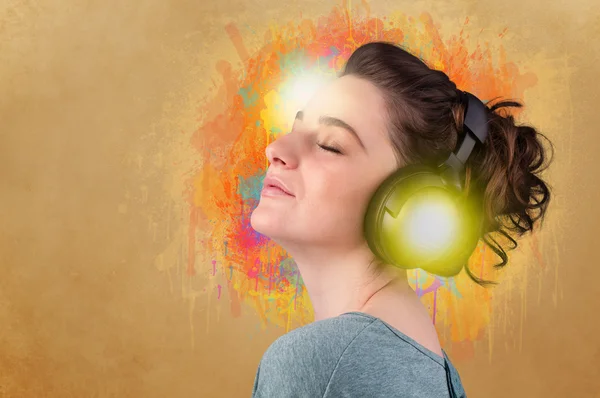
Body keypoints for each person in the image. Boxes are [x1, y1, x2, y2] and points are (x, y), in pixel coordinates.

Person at [249, 41, 552, 397]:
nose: (276, 150)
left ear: (412, 199)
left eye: (330, 144)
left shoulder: (319, 363)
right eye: (296, 128)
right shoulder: (431, 365)